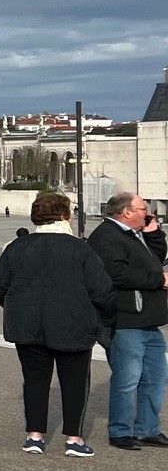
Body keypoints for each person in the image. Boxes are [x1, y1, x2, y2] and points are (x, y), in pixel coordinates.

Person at [0, 191, 116, 456]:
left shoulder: (18, 246)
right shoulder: (80, 248)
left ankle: (34, 436)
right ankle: (74, 439)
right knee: (75, 383)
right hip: (73, 324)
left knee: (35, 381)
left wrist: (17, 307)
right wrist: (101, 318)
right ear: (64, 215)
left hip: (28, 325)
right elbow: (102, 290)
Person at [88, 191, 168, 451]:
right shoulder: (106, 236)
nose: (147, 212)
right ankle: (120, 431)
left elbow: (155, 260)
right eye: (142, 209)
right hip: (126, 320)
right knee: (127, 379)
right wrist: (159, 280)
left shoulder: (134, 234)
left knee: (155, 378)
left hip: (149, 320)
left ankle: (147, 429)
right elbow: (116, 274)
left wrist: (154, 231)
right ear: (126, 212)